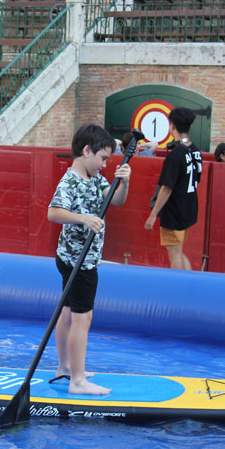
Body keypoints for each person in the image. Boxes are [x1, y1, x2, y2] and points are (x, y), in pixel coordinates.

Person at [47, 124, 131, 395]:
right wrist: (83, 218)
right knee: (82, 319)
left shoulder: (95, 178)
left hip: (79, 258)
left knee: (67, 313)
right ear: (86, 151)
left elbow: (116, 201)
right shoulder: (70, 181)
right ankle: (78, 381)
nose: (105, 165)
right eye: (103, 158)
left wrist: (124, 182)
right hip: (78, 262)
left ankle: (64, 367)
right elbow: (53, 212)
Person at [144, 107, 202, 270]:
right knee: (179, 251)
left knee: (175, 254)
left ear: (172, 126)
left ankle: (179, 285)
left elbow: (166, 188)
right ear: (190, 126)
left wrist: (153, 215)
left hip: (174, 211)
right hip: (189, 208)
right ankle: (188, 283)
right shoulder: (196, 150)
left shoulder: (175, 154)